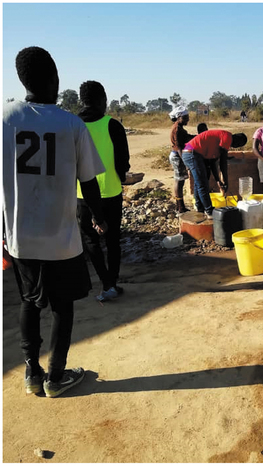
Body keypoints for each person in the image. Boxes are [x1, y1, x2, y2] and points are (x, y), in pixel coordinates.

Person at [3, 46, 107, 397]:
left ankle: (31, 372)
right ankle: (56, 376)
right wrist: (98, 217)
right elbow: (89, 182)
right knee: (63, 307)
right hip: (62, 238)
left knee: (29, 302)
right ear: (53, 79)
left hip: (21, 238)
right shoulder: (70, 124)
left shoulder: (4, 120)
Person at [76, 81, 130, 302]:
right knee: (113, 240)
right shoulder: (112, 125)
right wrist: (123, 175)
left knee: (91, 241)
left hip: (81, 195)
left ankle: (105, 282)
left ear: (82, 100)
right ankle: (112, 282)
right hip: (111, 192)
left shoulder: (73, 125)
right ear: (102, 100)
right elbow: (122, 161)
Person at [181, 129, 247, 218]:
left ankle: (200, 208)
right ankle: (209, 211)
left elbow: (213, 163)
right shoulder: (227, 137)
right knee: (202, 183)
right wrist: (226, 182)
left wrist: (218, 181)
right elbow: (222, 163)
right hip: (192, 153)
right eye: (238, 144)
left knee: (199, 182)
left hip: (190, 153)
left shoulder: (219, 142)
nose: (236, 146)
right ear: (237, 139)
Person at [169, 106, 195, 214]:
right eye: (185, 117)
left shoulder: (179, 128)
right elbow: (179, 147)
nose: (187, 119)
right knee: (179, 181)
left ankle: (179, 206)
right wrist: (185, 161)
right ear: (179, 117)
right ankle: (180, 207)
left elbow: (187, 137)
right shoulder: (177, 130)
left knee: (180, 180)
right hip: (177, 156)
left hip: (177, 155)